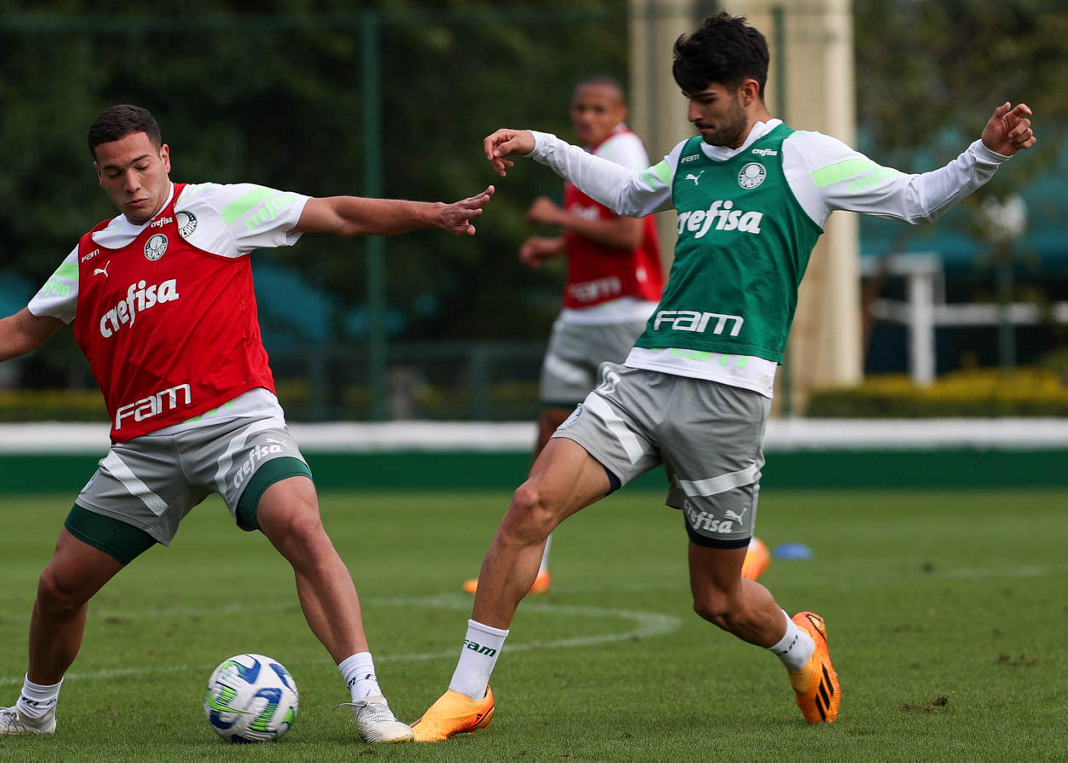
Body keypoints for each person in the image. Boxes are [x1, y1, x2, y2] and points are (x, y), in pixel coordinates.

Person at [413, 12, 1034, 741]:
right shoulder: (689, 157)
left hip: (729, 399)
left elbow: (915, 198)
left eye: (705, 99)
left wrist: (984, 155)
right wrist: (542, 144)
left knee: (719, 600)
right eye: (688, 99)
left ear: (748, 89)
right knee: (529, 504)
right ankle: (468, 692)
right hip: (645, 375)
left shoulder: (806, 157)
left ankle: (800, 646)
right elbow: (627, 194)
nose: (692, 114)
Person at [0, 104, 493, 744]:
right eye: (114, 173)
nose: (132, 184)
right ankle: (33, 712)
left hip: (236, 424)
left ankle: (370, 705)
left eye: (142, 166)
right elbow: (22, 329)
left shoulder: (218, 208)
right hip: (144, 449)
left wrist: (433, 213)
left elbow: (335, 213)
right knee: (60, 587)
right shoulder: (91, 255)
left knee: (300, 524)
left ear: (165, 157)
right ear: (99, 176)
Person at [462, 75, 666, 598]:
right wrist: (555, 246)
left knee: (669, 431)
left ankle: (742, 541)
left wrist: (557, 217)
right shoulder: (589, 159)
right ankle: (536, 563)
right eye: (580, 108)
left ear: (620, 113)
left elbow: (630, 233)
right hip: (579, 314)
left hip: (626, 312)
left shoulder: (623, 147)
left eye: (599, 108)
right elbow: (595, 232)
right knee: (551, 425)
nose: (587, 117)